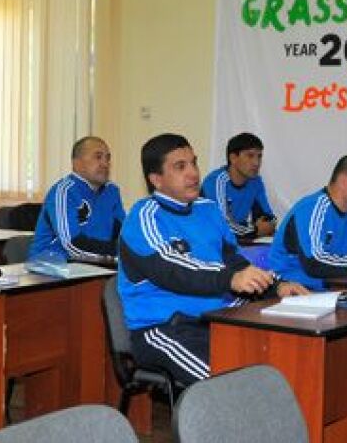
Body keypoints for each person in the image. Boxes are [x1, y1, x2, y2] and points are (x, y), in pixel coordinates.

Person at [117, 133, 307, 386]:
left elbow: (234, 261)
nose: (193, 173)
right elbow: (173, 270)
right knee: (227, 386)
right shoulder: (144, 217)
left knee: (280, 357)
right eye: (180, 166)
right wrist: (230, 279)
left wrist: (277, 286)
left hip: (214, 318)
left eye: (194, 163)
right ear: (156, 179)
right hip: (163, 327)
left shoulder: (207, 208)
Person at [268, 154, 347, 290]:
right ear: (345, 182)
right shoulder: (312, 209)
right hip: (290, 289)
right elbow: (314, 263)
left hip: (326, 290)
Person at [29, 136, 126, 262]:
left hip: (96, 264)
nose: (105, 164)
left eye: (107, 158)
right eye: (98, 157)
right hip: (53, 265)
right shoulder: (64, 191)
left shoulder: (111, 191)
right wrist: (115, 257)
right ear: (77, 163)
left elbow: (124, 233)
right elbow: (71, 245)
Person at [201, 132, 276, 241]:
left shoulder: (255, 181)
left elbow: (268, 218)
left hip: (239, 240)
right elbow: (223, 226)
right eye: (250, 156)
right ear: (233, 158)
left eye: (259, 156)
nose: (256, 163)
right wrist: (255, 231)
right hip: (210, 240)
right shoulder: (216, 181)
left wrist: (266, 225)